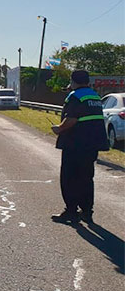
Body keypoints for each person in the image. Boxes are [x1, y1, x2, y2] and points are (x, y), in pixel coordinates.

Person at [50, 70, 109, 224]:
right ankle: (87, 211)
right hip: (92, 145)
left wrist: (59, 129)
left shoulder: (75, 96)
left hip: (75, 144)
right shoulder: (94, 96)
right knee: (86, 178)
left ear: (73, 81)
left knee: (69, 178)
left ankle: (71, 211)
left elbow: (71, 119)